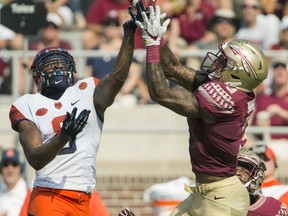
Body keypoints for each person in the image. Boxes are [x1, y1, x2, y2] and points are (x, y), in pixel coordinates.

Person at [134, 3, 268, 215]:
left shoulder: (226, 100)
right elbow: (173, 69)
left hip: (223, 198)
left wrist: (151, 45)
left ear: (237, 73)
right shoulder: (235, 90)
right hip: (204, 192)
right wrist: (158, 38)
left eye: (225, 62)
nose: (218, 62)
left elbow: (161, 93)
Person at [8, 9, 138, 215]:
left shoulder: (88, 89)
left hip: (84, 196)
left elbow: (117, 78)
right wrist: (63, 137)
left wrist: (129, 35)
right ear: (37, 77)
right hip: (48, 194)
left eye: (61, 64)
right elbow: (35, 158)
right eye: (50, 66)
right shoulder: (26, 103)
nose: (57, 67)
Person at [236, 148, 288, 215]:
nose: (261, 160)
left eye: (265, 158)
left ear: (275, 163)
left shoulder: (283, 191)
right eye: (258, 157)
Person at [249, 143, 288, 208]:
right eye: (256, 160)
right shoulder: (240, 188)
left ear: (275, 163)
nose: (262, 162)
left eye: (266, 158)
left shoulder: (284, 190)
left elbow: (280, 212)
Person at [0, 148, 28, 216]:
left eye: (14, 164)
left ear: (20, 169)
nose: (10, 169)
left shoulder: (29, 194)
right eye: (6, 164)